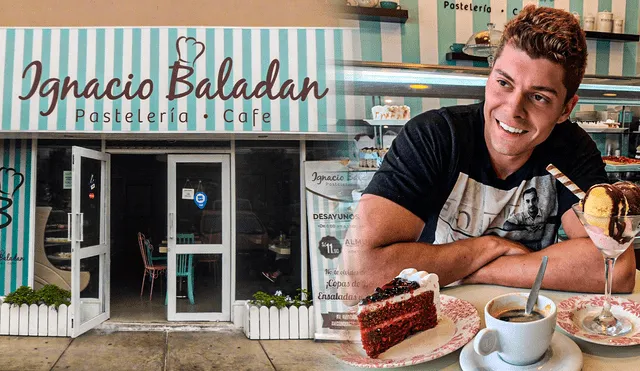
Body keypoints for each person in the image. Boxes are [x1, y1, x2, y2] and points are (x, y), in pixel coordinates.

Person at [343, 5, 636, 301]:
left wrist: (470, 269)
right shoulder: (434, 136)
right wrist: (487, 248)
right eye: (503, 83)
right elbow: (361, 270)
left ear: (565, 109)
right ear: (489, 77)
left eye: (539, 97)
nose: (512, 110)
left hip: (527, 314)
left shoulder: (572, 149)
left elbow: (615, 265)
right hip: (436, 316)